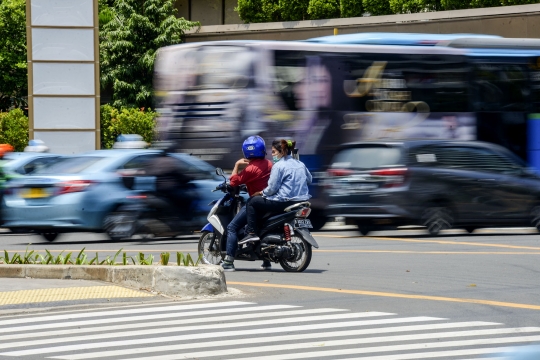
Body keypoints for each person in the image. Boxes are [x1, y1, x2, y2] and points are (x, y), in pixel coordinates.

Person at [241, 139, 312, 243]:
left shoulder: (278, 166)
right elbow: (309, 180)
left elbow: (272, 188)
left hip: (284, 202)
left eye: (274, 152)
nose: (272, 155)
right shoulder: (300, 164)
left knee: (252, 201)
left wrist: (261, 193)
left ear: (282, 152)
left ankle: (251, 233)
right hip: (302, 201)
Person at [221, 136, 273, 272]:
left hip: (257, 203)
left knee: (232, 227)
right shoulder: (269, 164)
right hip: (270, 201)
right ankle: (266, 261)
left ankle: (228, 261)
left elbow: (233, 181)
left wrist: (237, 165)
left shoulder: (250, 169)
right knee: (262, 228)